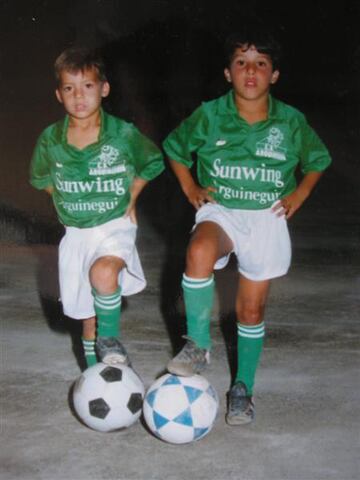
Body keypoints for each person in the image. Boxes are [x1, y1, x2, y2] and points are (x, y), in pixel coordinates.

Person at [162, 29, 331, 425]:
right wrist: (190, 187)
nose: (250, 70)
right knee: (199, 250)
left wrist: (299, 195)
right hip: (222, 210)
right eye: (241, 62)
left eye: (261, 63)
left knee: (250, 311)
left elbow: (318, 160)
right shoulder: (210, 114)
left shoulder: (290, 122)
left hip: (267, 217)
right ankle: (198, 344)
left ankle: (242, 388)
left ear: (274, 75)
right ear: (227, 72)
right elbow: (174, 148)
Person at [30, 46, 164, 369]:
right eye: (69, 88)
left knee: (104, 273)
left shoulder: (122, 134)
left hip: (113, 225)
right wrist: (64, 197)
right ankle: (95, 375)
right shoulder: (50, 140)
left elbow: (153, 161)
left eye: (87, 86)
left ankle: (111, 342)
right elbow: (40, 178)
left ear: (104, 88)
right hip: (77, 233)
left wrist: (132, 193)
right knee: (89, 320)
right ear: (58, 95)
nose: (79, 96)